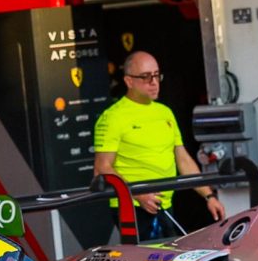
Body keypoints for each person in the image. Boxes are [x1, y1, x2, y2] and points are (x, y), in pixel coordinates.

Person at [92, 50, 221, 240]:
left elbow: (183, 159)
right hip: (133, 207)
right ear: (129, 81)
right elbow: (102, 167)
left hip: (164, 203)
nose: (154, 82)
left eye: (156, 75)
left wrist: (209, 196)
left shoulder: (165, 112)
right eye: (145, 77)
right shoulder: (112, 117)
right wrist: (139, 195)